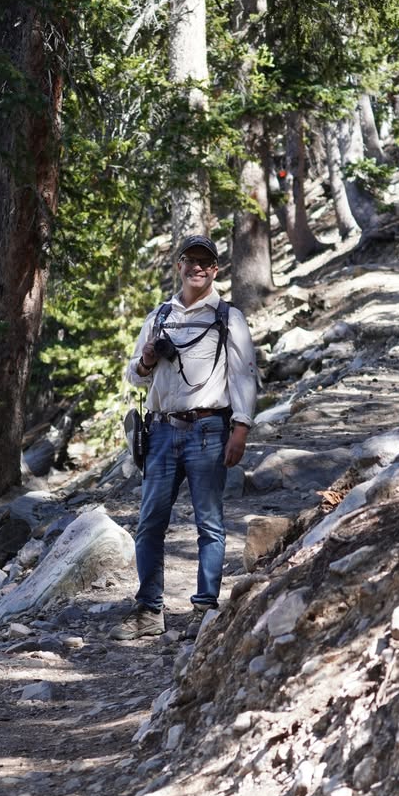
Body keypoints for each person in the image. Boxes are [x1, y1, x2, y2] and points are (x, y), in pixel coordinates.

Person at [111, 235, 257, 640]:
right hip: (160, 431)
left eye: (205, 262)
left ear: (215, 270)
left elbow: (243, 374)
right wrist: (146, 359)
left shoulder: (228, 317)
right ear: (179, 265)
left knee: (209, 523)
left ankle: (205, 609)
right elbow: (132, 375)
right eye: (190, 260)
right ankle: (148, 610)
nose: (197, 267)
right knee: (149, 522)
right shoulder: (159, 316)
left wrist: (240, 428)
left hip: (210, 429)